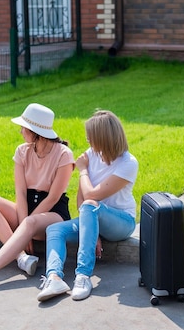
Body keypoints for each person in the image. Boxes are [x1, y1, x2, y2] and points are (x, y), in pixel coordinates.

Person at [0, 103, 74, 294]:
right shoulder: (22, 151)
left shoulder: (63, 154)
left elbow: (53, 197)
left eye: (24, 128)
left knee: (30, 222)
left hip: (52, 214)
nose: (20, 131)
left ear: (36, 131)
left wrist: (25, 226)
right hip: (25, 211)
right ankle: (21, 257)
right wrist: (24, 224)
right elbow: (20, 192)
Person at [36, 110, 138, 302]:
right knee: (55, 229)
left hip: (121, 223)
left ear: (103, 137)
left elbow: (91, 195)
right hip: (92, 216)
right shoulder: (91, 155)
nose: (87, 139)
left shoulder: (128, 163)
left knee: (91, 205)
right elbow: (81, 199)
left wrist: (82, 170)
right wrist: (92, 233)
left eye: (91, 135)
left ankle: (83, 275)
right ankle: (54, 277)